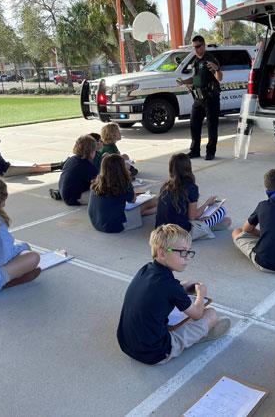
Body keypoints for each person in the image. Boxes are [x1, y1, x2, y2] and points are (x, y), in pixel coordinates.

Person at [117, 224, 231, 365]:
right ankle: (198, 335)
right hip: (155, 353)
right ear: (162, 253)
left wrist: (182, 286)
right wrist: (201, 294)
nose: (187, 257)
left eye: (189, 252)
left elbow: (164, 290)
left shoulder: (145, 269)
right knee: (211, 314)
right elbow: (197, 314)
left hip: (125, 343)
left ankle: (191, 334)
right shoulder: (171, 286)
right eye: (182, 252)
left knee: (171, 312)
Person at [155, 153, 230, 241]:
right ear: (188, 167)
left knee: (226, 221)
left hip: (161, 231)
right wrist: (207, 203)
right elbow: (193, 217)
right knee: (222, 212)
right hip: (180, 233)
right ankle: (203, 229)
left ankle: (206, 228)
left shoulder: (165, 186)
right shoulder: (191, 187)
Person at [176, 35, 223, 161]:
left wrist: (217, 69)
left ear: (203, 45)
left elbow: (219, 78)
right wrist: (184, 82)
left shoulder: (210, 60)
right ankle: (195, 150)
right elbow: (195, 78)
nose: (196, 49)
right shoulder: (196, 61)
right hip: (198, 99)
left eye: (198, 46)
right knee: (194, 124)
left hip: (210, 98)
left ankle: (210, 152)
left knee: (212, 126)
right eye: (194, 47)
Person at [88, 153, 157, 233]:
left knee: (137, 208)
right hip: (115, 226)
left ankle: (138, 215)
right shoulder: (123, 182)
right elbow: (133, 200)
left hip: (96, 222)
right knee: (153, 201)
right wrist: (129, 180)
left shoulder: (97, 182)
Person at [0, 129, 65, 178]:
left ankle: (60, 163)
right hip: (5, 171)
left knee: (35, 165)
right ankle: (60, 166)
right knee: (35, 169)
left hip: (7, 166)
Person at [55, 135, 99, 206]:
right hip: (74, 198)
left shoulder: (72, 159)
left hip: (64, 191)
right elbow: (101, 183)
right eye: (95, 150)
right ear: (91, 152)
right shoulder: (86, 166)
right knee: (105, 195)